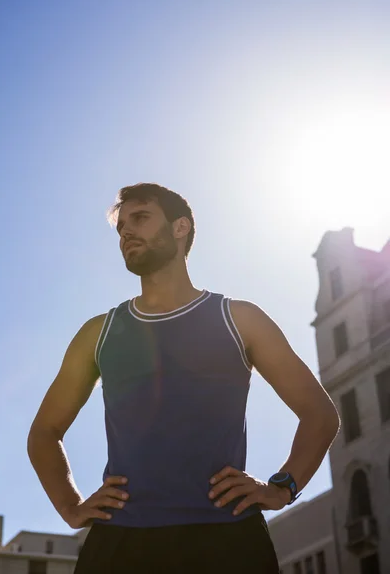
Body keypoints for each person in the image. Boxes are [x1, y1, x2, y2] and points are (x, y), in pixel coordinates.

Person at [28, 183, 340, 573]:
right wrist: (70, 506)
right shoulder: (98, 333)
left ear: (180, 228)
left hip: (227, 540)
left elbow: (319, 414)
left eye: (140, 218)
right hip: (121, 542)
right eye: (121, 226)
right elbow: (45, 431)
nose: (126, 232)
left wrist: (282, 488)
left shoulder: (240, 320)